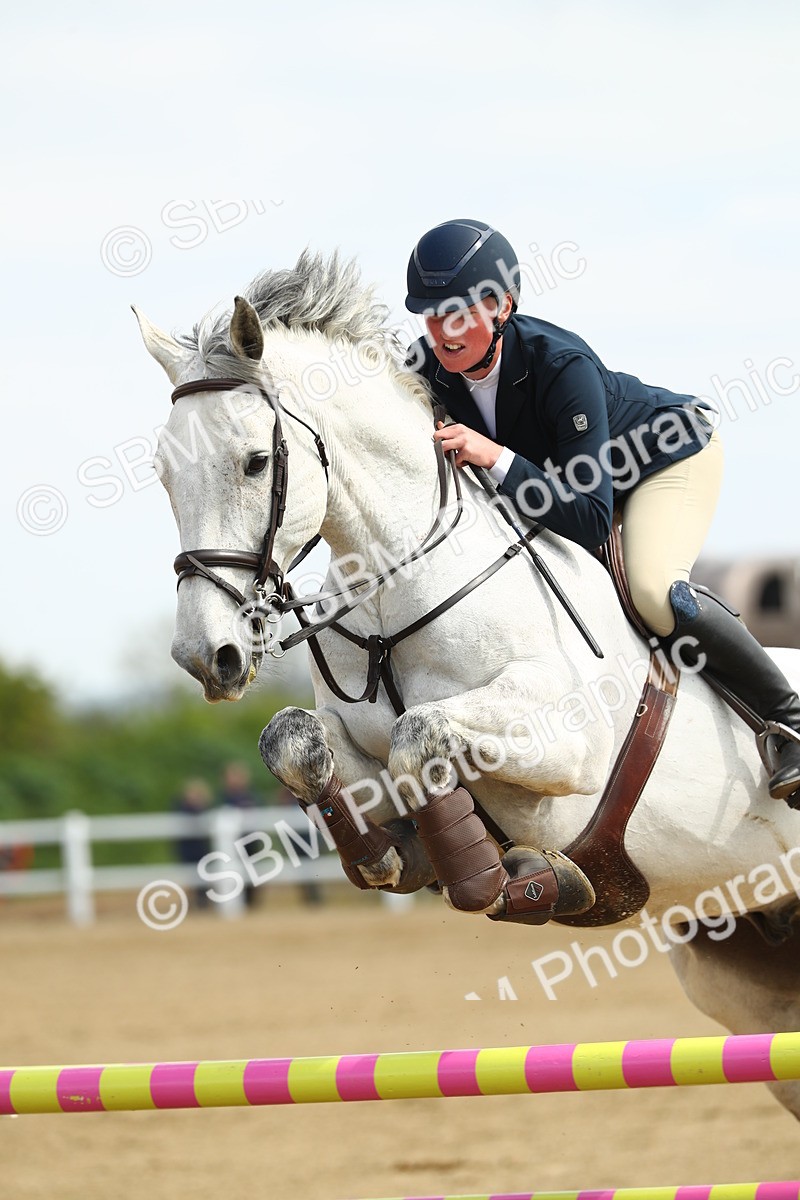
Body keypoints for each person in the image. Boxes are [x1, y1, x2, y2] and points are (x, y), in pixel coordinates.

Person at [400, 217, 800, 918]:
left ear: (502, 305)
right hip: (564, 491)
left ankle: (788, 719)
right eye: (431, 316)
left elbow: (587, 515)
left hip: (665, 460)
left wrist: (497, 458)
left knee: (651, 591)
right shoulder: (425, 371)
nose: (444, 331)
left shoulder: (561, 364)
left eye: (459, 312)